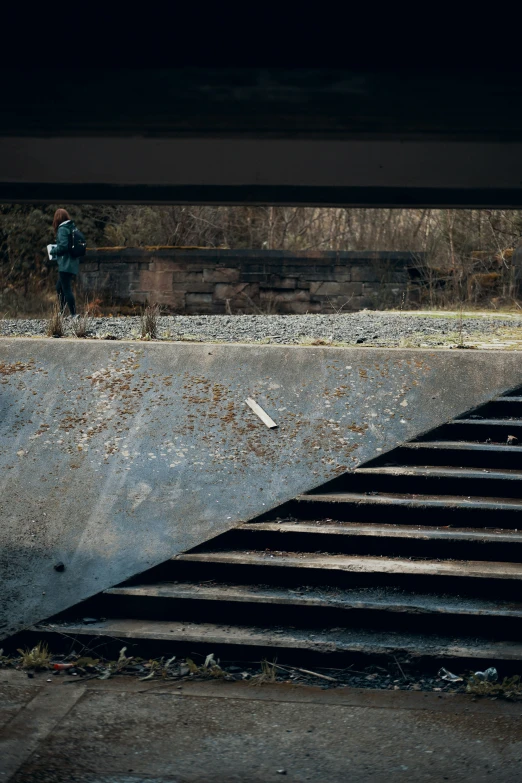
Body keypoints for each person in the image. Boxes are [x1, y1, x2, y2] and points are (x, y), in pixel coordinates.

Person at [51, 208, 79, 316]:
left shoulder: (62, 229)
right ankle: (61, 312)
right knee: (59, 287)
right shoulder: (72, 227)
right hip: (72, 263)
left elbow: (63, 247)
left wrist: (53, 251)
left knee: (66, 288)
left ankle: (73, 314)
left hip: (65, 264)